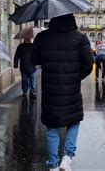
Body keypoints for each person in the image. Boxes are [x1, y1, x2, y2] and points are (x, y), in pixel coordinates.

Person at [32, 14, 94, 171]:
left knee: (52, 127)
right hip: (71, 88)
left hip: (50, 89)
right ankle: (67, 157)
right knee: (73, 121)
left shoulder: (42, 36)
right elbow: (88, 64)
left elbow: (34, 59)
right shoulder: (80, 37)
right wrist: (75, 77)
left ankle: (53, 165)